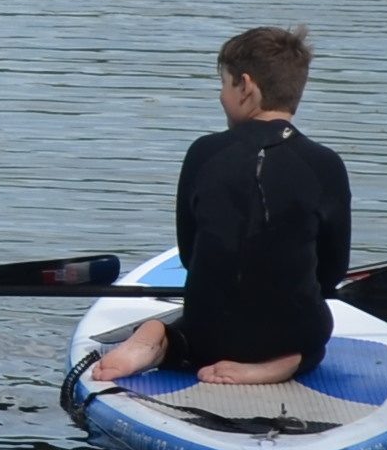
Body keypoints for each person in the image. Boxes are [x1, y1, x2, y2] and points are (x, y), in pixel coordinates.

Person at [84, 27, 354, 390]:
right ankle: (283, 363)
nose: (221, 96)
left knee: (192, 331)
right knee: (316, 333)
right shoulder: (326, 164)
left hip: (209, 334)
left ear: (246, 86)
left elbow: (190, 254)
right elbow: (331, 272)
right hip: (289, 332)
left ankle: (159, 338)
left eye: (224, 85)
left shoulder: (204, 153)